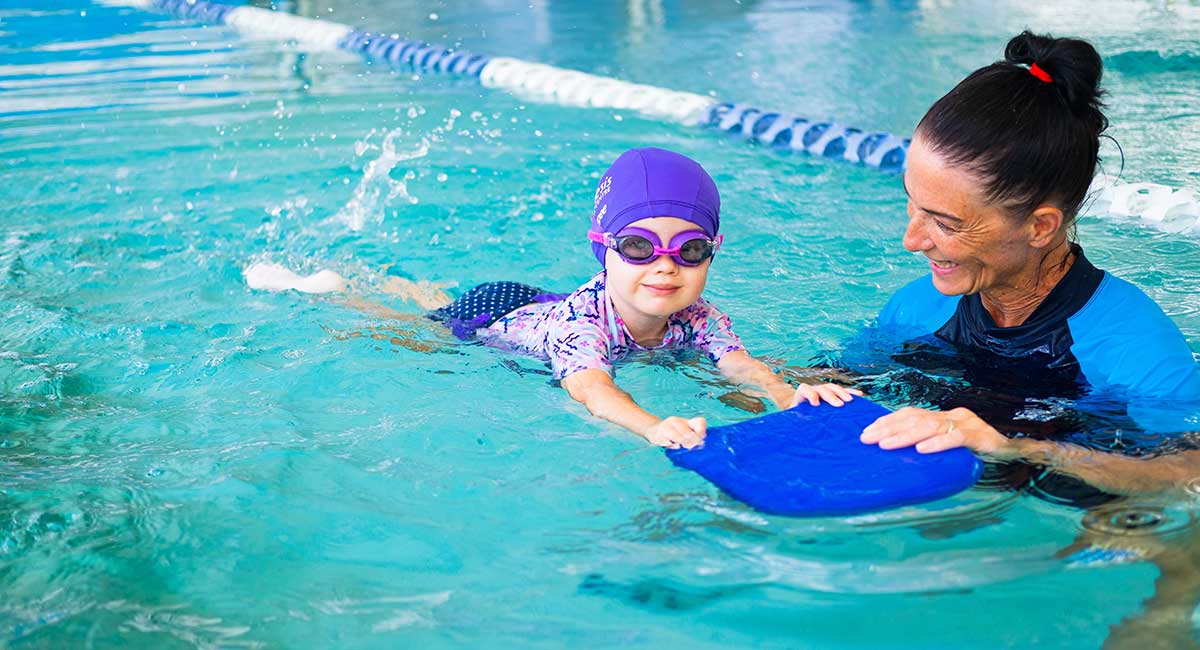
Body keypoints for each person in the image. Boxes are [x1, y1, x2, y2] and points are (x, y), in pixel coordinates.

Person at [856, 31, 1200, 493]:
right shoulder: (918, 309)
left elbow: (1187, 472)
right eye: (911, 205)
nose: (911, 240)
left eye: (945, 223)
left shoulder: (1129, 343)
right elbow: (838, 388)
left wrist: (1022, 449)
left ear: (1040, 227)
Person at [408, 147, 859, 449]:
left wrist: (785, 395)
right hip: (491, 314)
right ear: (604, 249)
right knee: (406, 327)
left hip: (549, 303)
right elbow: (592, 390)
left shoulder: (700, 315)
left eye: (691, 249)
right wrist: (653, 426)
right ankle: (370, 292)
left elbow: (739, 364)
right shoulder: (581, 326)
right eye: (639, 247)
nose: (666, 266)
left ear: (711, 252)